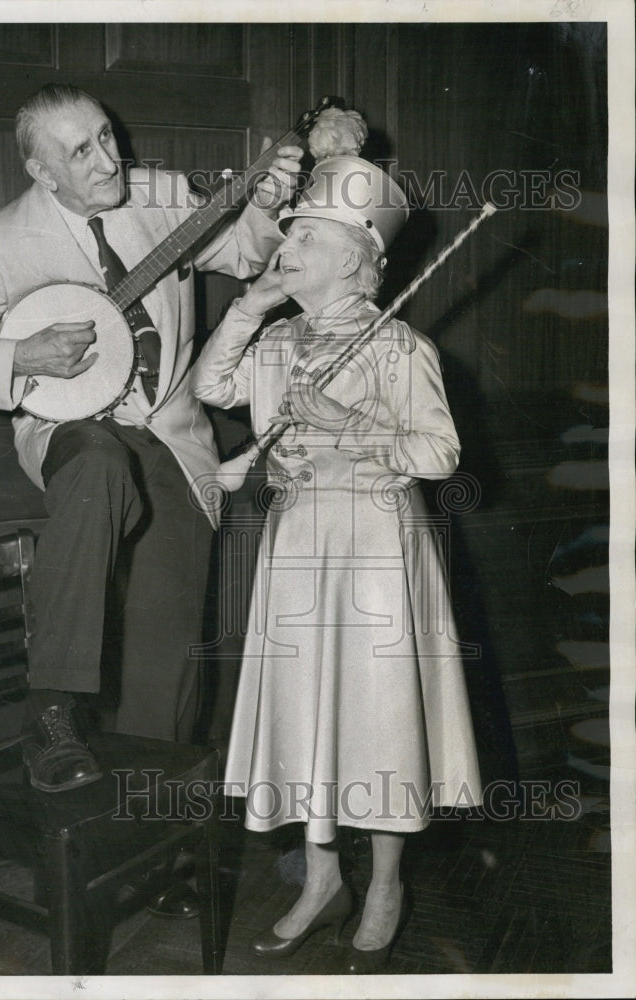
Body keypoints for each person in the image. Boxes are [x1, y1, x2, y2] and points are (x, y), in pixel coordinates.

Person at [0, 83, 302, 800]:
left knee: (165, 655)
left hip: (173, 439)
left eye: (106, 136)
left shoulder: (161, 196)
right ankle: (51, 708)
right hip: (73, 430)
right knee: (97, 464)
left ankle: (158, 843)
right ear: (41, 171)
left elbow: (244, 254)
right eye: (79, 150)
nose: (107, 159)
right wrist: (20, 357)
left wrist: (267, 205)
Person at [190, 155, 482, 970]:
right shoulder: (279, 342)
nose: (287, 243)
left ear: (356, 256)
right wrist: (251, 304)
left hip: (379, 550)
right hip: (297, 547)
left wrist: (349, 428)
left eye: (305, 235)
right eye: (286, 234)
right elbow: (211, 385)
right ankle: (322, 880)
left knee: (378, 716)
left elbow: (441, 453)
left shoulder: (400, 346)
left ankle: (384, 883)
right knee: (308, 713)